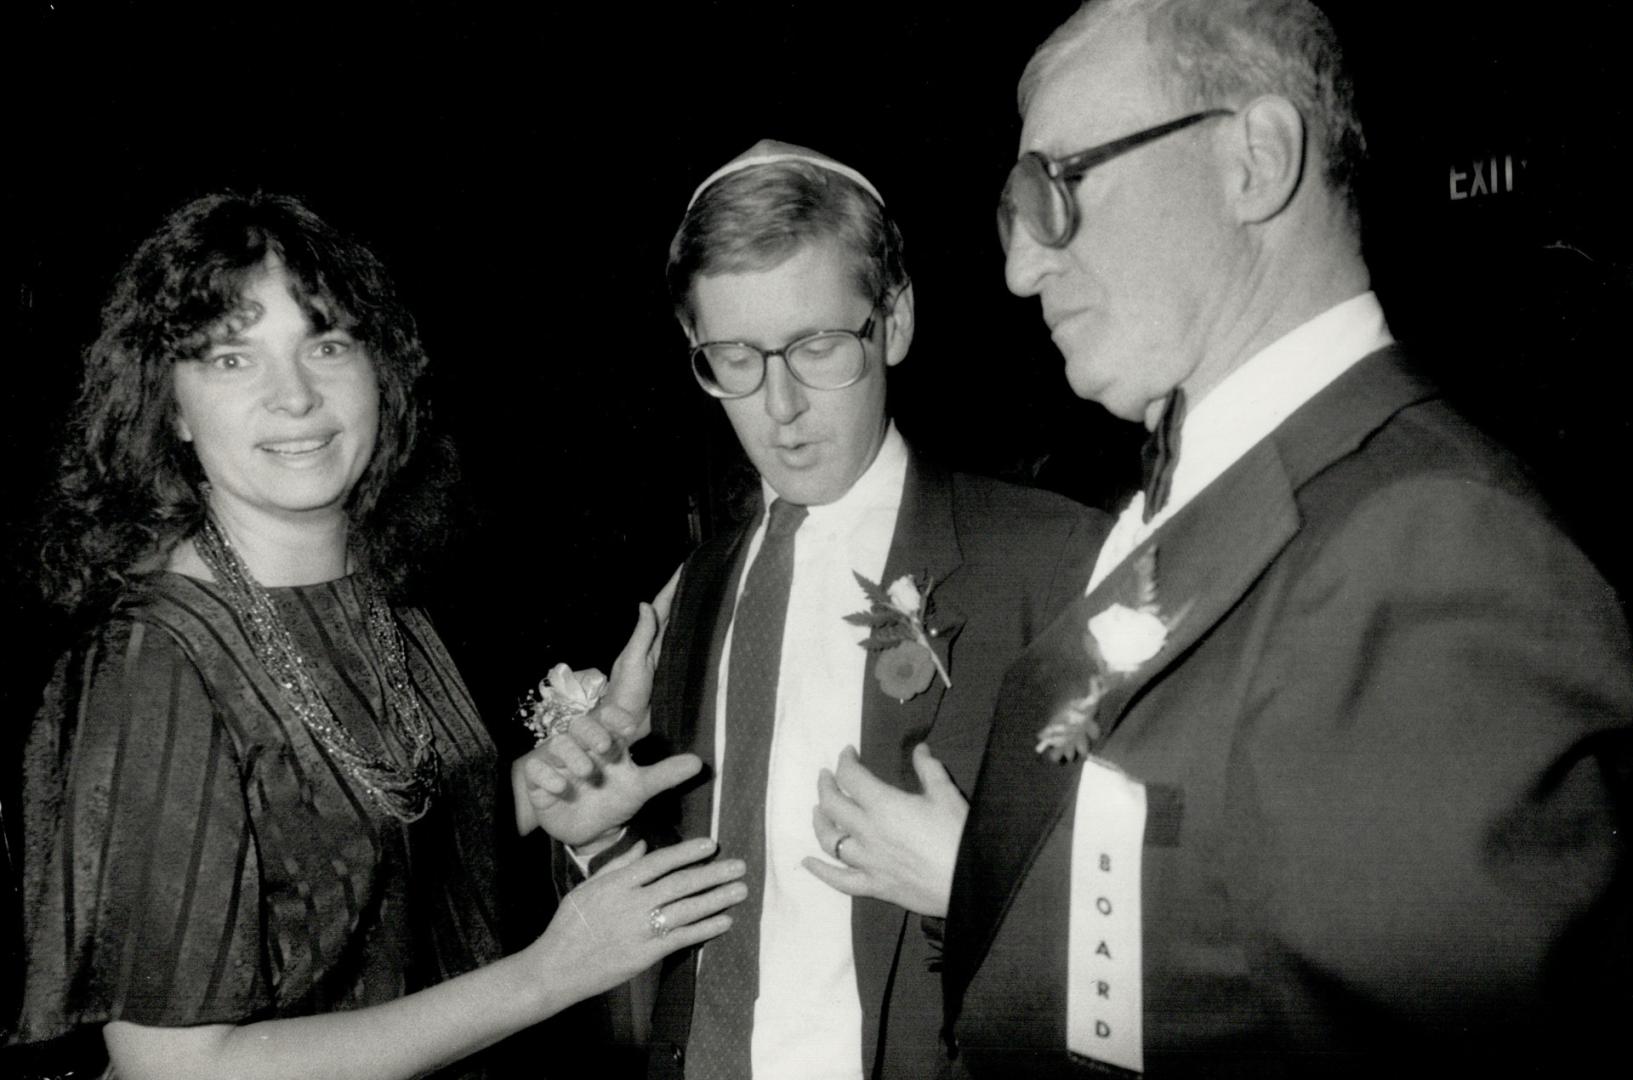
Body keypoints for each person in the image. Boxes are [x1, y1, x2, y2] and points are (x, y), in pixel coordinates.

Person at [872, 1, 1627, 1076]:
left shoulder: (1429, 550)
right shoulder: (1216, 488)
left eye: (1057, 188)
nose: (1021, 270)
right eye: (1011, 213)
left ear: (1255, 160)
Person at [9, 191, 746, 1080]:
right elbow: (179, 1068)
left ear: (380, 370)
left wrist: (537, 796)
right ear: (168, 406)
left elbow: (349, 856)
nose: (296, 397)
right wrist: (549, 974)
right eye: (233, 357)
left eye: (326, 344)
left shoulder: (375, 596)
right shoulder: (154, 664)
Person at [517, 140, 1108, 1078]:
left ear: (896, 322)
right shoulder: (693, 589)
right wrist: (597, 841)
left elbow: (1178, 920)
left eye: (819, 345)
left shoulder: (1055, 563)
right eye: (733, 358)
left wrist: (976, 884)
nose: (779, 403)